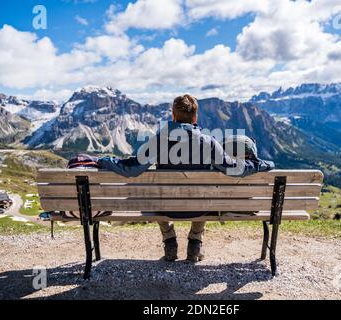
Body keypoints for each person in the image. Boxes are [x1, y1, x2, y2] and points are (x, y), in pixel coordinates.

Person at [97, 94, 274, 262]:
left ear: (173, 116)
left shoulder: (158, 141)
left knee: (154, 195)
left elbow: (132, 169)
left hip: (166, 207)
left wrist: (104, 161)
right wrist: (262, 164)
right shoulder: (208, 142)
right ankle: (195, 242)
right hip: (200, 208)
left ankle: (169, 239)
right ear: (195, 118)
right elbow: (235, 169)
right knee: (207, 193)